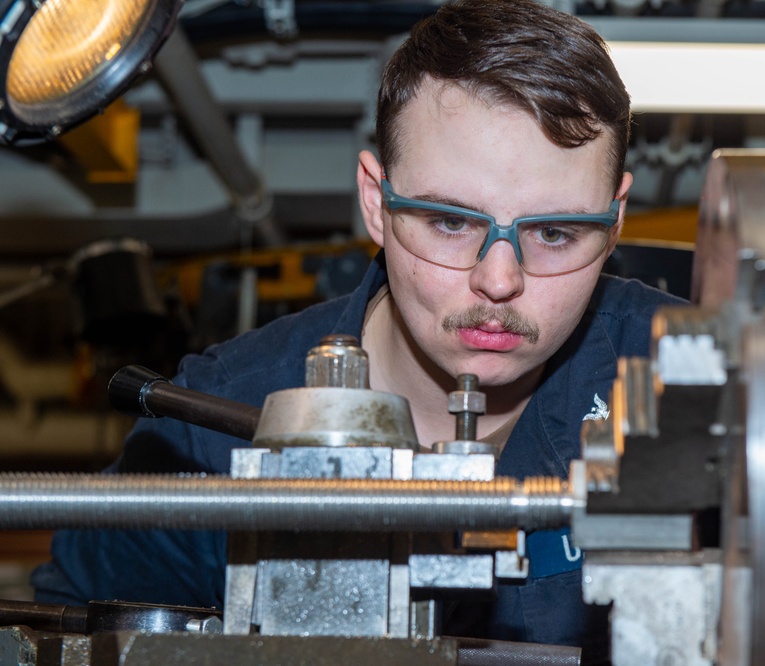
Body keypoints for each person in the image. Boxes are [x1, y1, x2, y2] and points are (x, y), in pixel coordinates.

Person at [32, 0, 686, 661]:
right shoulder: (209, 433)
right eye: (450, 222)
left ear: (615, 221)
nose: (498, 280)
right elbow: (70, 632)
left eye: (555, 233)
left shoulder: (690, 381)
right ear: (376, 202)